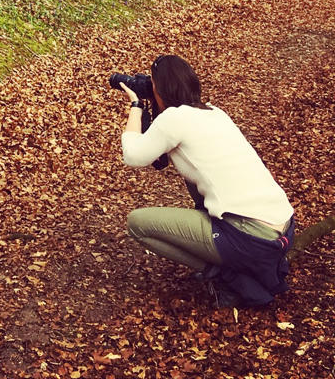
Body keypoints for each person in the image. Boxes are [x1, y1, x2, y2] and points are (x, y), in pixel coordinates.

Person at [118, 54, 295, 308]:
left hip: (251, 237)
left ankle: (232, 277)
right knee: (198, 178)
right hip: (284, 228)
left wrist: (136, 106)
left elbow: (133, 155)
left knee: (137, 223)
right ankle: (235, 258)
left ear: (160, 89)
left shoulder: (173, 118)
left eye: (152, 85)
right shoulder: (215, 112)